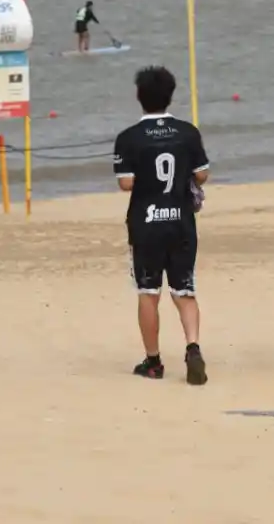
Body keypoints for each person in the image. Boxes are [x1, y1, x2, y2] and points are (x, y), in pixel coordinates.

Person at [112, 66, 210, 385]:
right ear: (170, 95)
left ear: (139, 97)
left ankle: (153, 362)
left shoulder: (128, 138)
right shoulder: (187, 132)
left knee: (148, 291)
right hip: (181, 221)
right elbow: (202, 174)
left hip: (146, 223)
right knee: (184, 289)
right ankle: (193, 346)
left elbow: (126, 183)